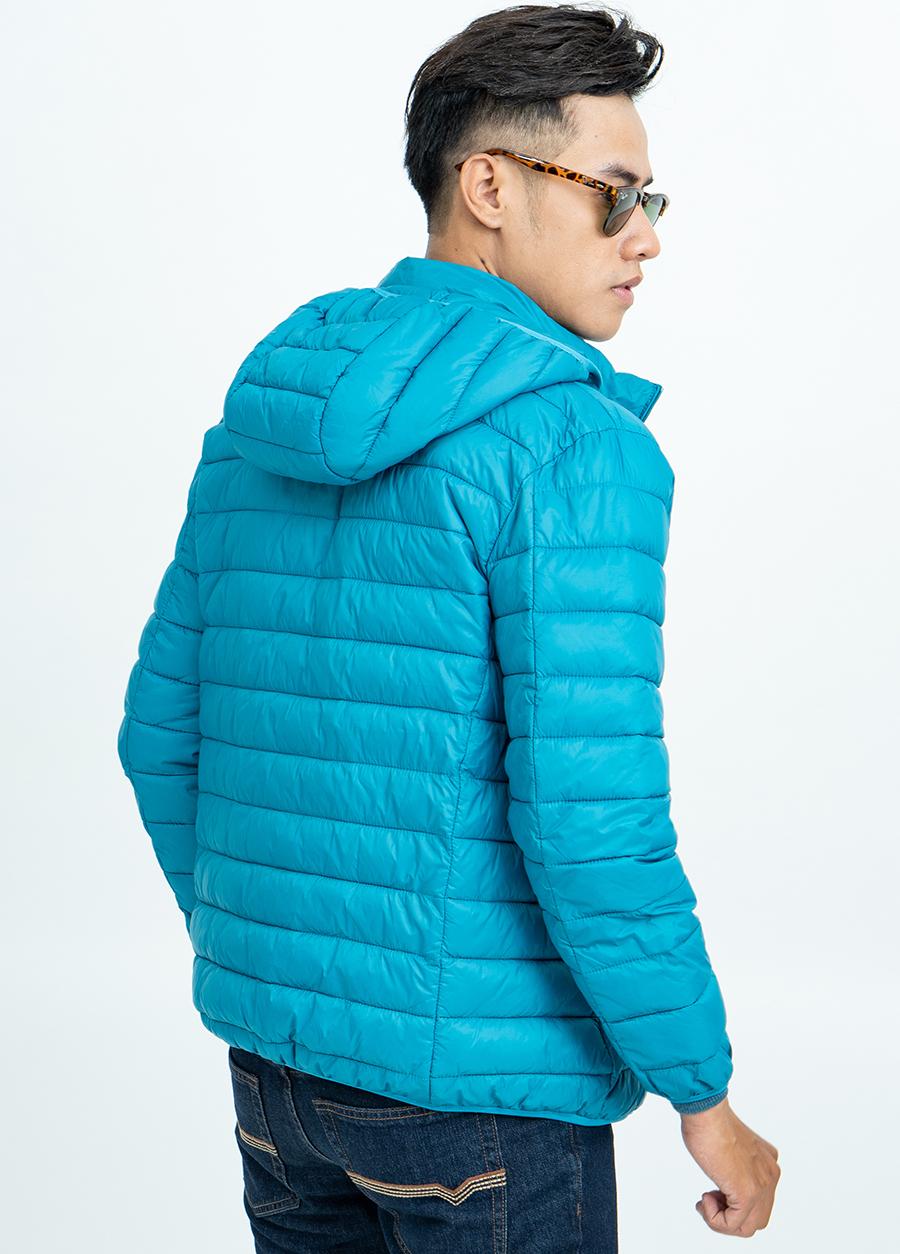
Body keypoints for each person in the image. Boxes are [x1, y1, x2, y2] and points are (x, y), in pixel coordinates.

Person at [116, 4, 780, 1249]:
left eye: (651, 202)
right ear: (489, 186)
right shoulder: (569, 443)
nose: (644, 236)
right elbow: (589, 819)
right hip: (488, 1109)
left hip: (276, 1083)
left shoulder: (265, 416)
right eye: (614, 195)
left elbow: (158, 736)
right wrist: (703, 1093)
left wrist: (275, 950)